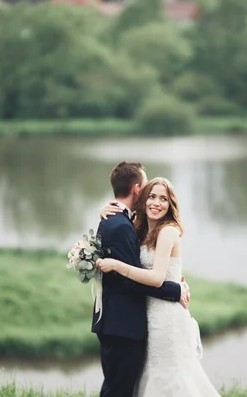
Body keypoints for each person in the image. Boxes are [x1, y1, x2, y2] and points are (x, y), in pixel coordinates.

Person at [97, 176, 221, 397]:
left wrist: (117, 265)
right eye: (152, 196)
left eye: (163, 199)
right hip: (148, 314)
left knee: (170, 377)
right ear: (143, 199)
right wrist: (104, 210)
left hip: (166, 317)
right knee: (151, 376)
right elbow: (122, 226)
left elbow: (156, 278)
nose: (156, 202)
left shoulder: (168, 231)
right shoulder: (140, 228)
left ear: (170, 204)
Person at [91, 162, 191, 397]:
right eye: (149, 192)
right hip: (125, 324)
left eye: (162, 198)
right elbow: (131, 280)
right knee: (123, 388)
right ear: (138, 190)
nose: (153, 200)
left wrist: (174, 284)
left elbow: (150, 273)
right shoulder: (127, 225)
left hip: (150, 319)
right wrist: (174, 290)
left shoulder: (135, 225)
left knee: (155, 381)